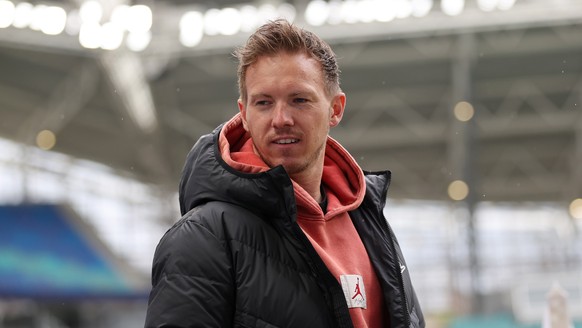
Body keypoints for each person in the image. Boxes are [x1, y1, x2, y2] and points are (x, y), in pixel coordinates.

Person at [145, 19, 424, 328]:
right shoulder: (204, 238)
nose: (281, 119)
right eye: (264, 103)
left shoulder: (371, 224)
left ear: (335, 109)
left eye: (299, 100)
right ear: (245, 115)